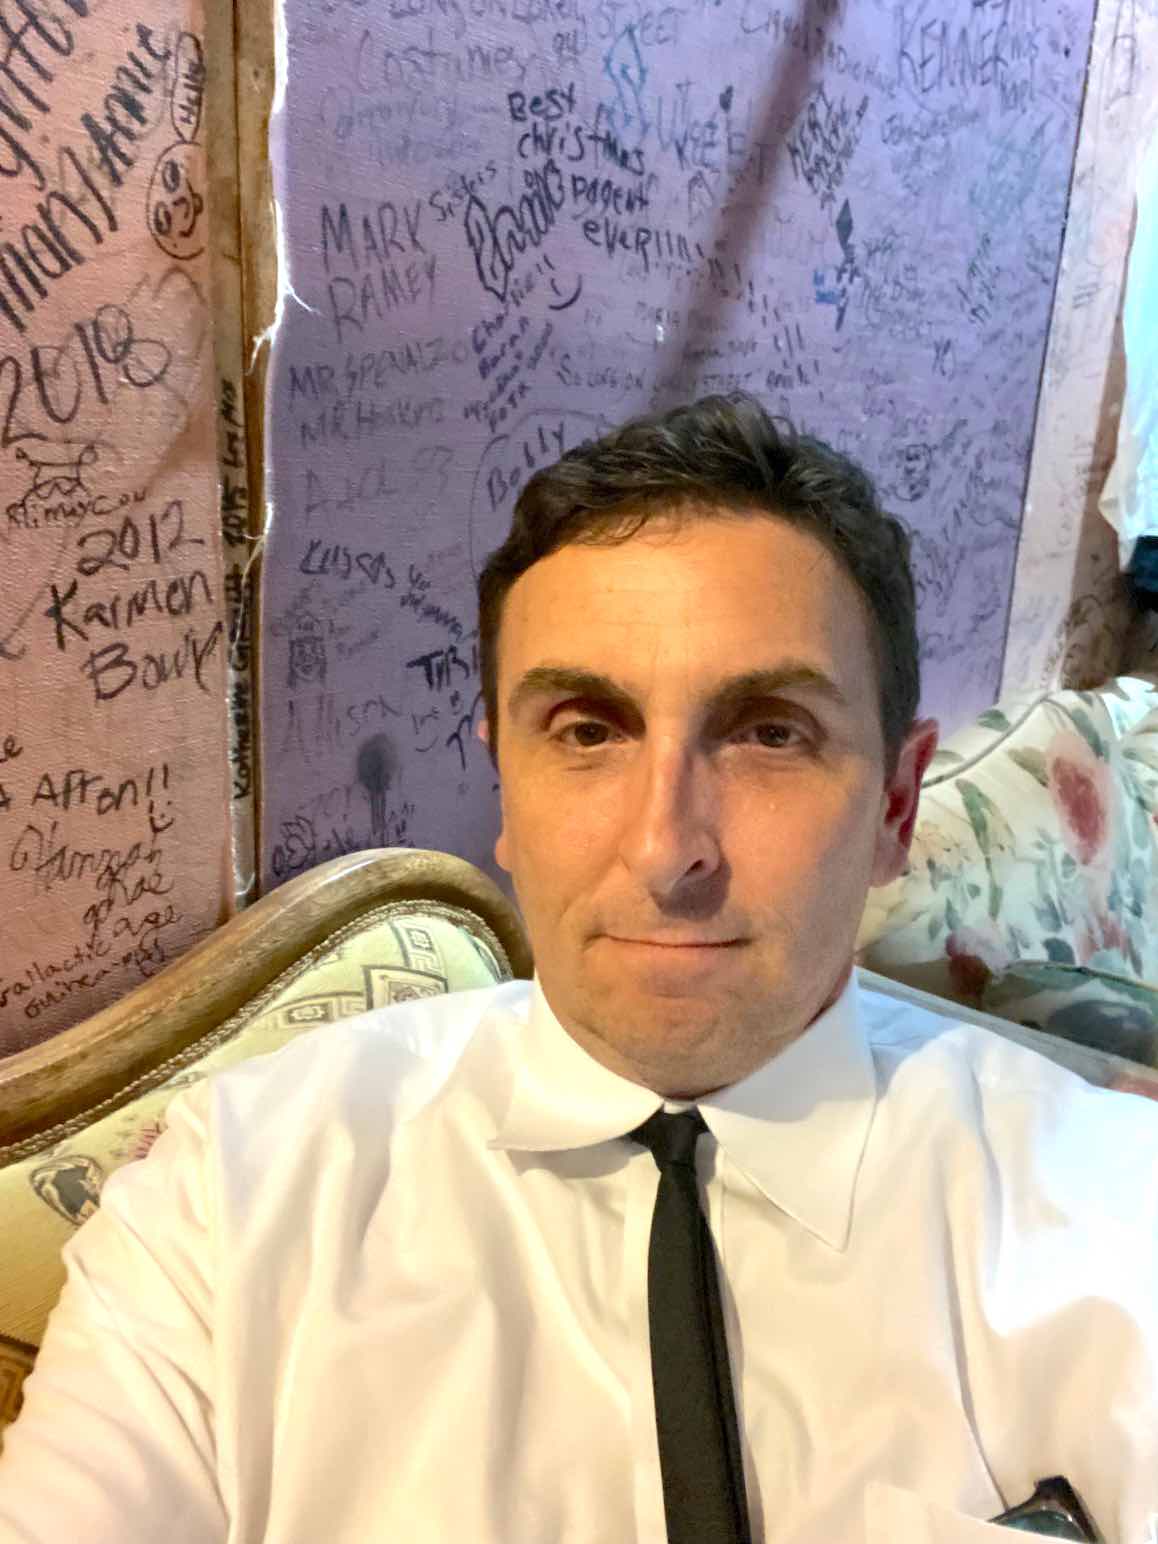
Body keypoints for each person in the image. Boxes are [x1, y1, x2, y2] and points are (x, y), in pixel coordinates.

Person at [1, 392, 1155, 1543]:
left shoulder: (1115, 1209)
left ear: (896, 803)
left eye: (767, 730)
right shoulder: (226, 1206)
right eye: (588, 729)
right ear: (504, 779)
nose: (667, 850)